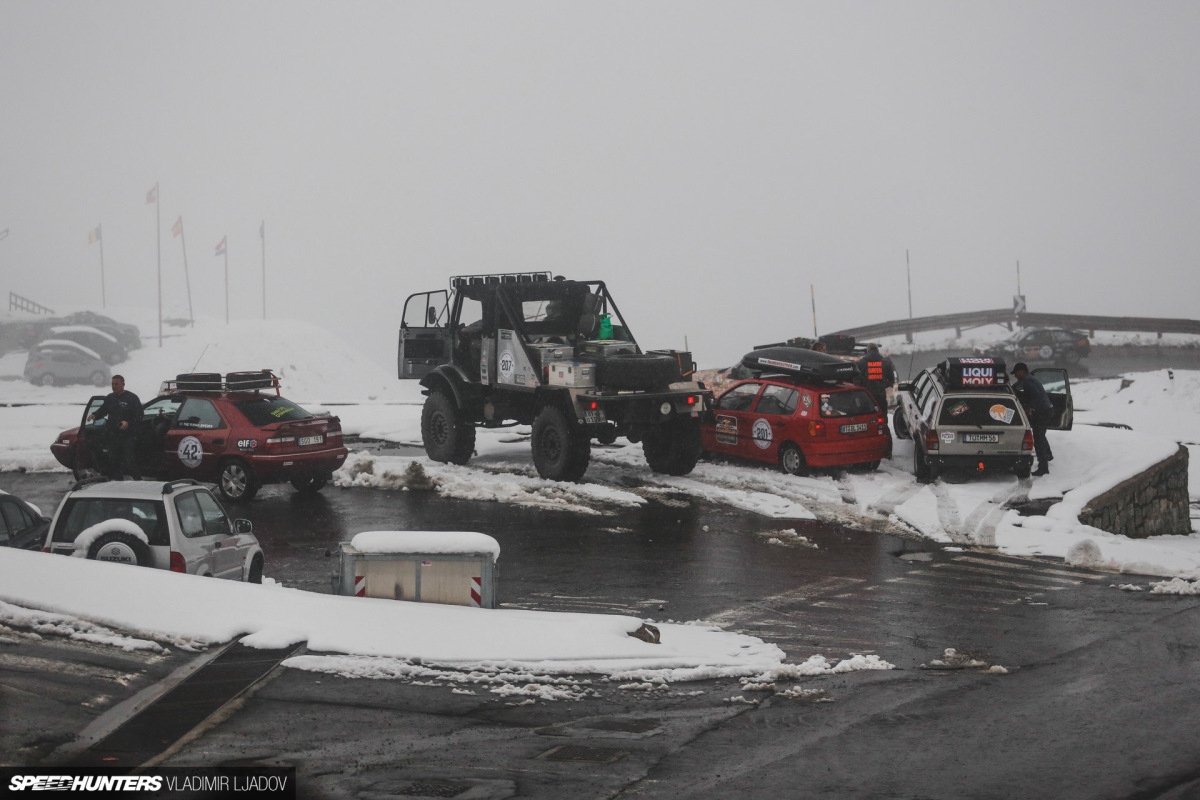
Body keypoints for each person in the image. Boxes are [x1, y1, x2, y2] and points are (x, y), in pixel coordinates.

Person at [87, 374, 143, 480]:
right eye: (112, 384)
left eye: (116, 384)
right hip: (113, 434)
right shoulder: (110, 398)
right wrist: (95, 415)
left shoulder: (132, 398)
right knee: (114, 461)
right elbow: (103, 410)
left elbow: (140, 415)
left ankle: (138, 481)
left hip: (128, 435)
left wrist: (128, 423)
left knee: (129, 461)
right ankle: (118, 482)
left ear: (123, 384)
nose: (114, 386)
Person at [1013, 362, 1054, 476]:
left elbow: (1035, 395)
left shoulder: (1027, 381)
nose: (1015, 376)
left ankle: (1043, 467)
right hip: (1047, 410)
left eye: (1016, 373)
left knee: (1038, 438)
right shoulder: (1031, 379)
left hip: (1042, 413)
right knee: (1040, 435)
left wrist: (1030, 408)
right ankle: (1048, 455)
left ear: (1022, 371)